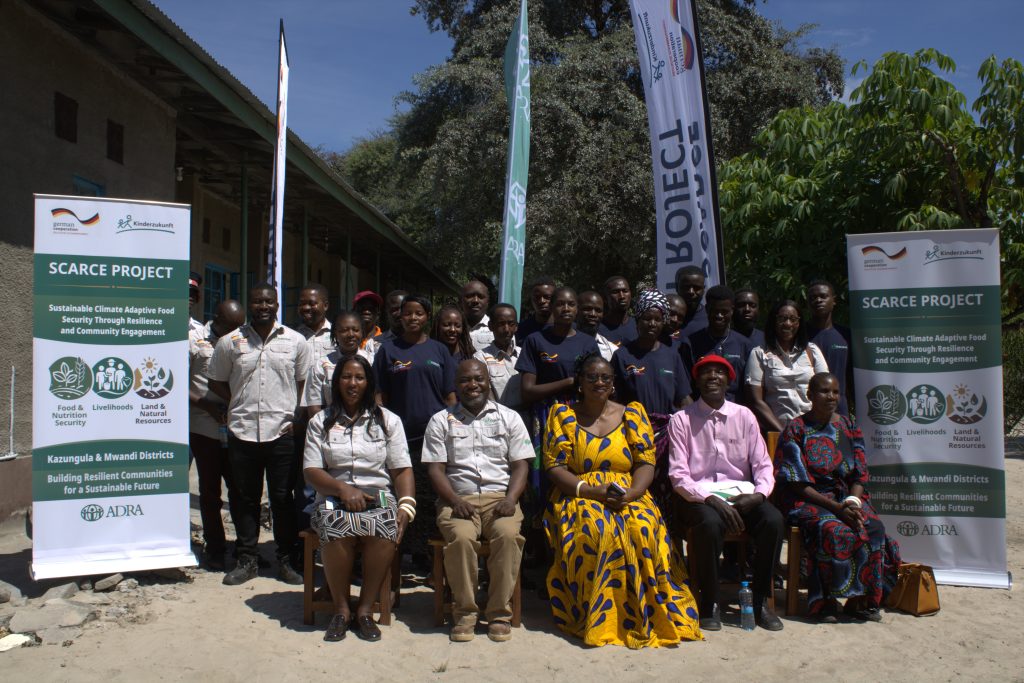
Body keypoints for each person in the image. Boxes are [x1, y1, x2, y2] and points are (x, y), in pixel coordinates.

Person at [543, 352, 701, 648]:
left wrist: (632, 493)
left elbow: (645, 463)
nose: (599, 382)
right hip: (578, 491)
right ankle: (602, 617)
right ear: (580, 382)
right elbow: (554, 467)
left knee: (642, 529)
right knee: (596, 532)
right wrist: (591, 491)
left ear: (613, 382)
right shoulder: (563, 415)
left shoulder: (632, 414)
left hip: (628, 490)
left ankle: (646, 613)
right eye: (592, 377)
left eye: (605, 377)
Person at [667, 354, 784, 631]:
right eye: (706, 372)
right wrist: (710, 500)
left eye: (719, 372)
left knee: (773, 521)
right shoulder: (681, 420)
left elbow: (762, 465)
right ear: (697, 381)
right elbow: (679, 475)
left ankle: (760, 602)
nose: (713, 377)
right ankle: (710, 603)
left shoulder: (745, 416)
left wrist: (759, 495)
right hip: (697, 496)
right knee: (709, 523)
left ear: (729, 381)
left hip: (741, 494)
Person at [303, 356, 415, 642]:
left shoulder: (388, 421)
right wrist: (342, 490)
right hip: (333, 496)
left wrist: (406, 506)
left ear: (369, 383)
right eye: (346, 377)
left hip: (378, 496)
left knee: (386, 526)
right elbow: (312, 471)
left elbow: (401, 469)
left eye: (359, 378)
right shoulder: (320, 422)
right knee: (335, 525)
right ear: (336, 382)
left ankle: (364, 609)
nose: (352, 384)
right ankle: (341, 610)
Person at [207, 283, 312, 586]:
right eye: (257, 301)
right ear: (249, 305)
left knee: (282, 499)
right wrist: (237, 400)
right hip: (242, 431)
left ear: (277, 305)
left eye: (268, 301)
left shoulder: (295, 341)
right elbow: (215, 380)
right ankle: (247, 559)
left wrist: (294, 415)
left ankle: (286, 559)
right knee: (244, 498)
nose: (263, 306)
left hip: (282, 432)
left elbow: (302, 383)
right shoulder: (230, 342)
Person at [776, 372, 902, 623]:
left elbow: (860, 473)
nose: (831, 396)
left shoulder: (849, 426)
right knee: (832, 529)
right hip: (810, 499)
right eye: (824, 391)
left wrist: (852, 503)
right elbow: (796, 482)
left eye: (835, 392)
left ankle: (861, 601)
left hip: (847, 497)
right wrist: (836, 508)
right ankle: (825, 603)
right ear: (810, 395)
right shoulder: (796, 429)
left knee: (873, 527)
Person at [423, 359, 532, 642]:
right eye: (465, 380)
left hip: (500, 499)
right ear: (456, 385)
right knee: (460, 539)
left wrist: (511, 498)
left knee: (508, 536)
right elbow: (435, 470)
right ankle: (465, 614)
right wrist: (454, 500)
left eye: (478, 379)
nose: (473, 385)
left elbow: (521, 465)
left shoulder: (510, 418)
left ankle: (498, 614)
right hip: (457, 499)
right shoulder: (440, 420)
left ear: (488, 381)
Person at [373, 294, 457, 565]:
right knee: (401, 496)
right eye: (407, 313)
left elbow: (450, 396)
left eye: (418, 313)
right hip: (399, 438)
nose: (412, 318)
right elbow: (378, 395)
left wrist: (452, 430)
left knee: (430, 495)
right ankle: (400, 552)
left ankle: (427, 558)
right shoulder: (388, 350)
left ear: (427, 317)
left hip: (434, 438)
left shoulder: (439, 350)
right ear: (400, 316)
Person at [611, 290, 692, 524]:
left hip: (668, 437)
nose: (652, 324)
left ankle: (668, 540)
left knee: (668, 494)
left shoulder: (672, 355)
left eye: (657, 319)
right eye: (647, 318)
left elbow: (684, 399)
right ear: (637, 320)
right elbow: (614, 401)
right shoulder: (622, 355)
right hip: (632, 434)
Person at [517, 287, 600, 495]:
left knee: (578, 467)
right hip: (545, 416)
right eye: (560, 304)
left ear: (577, 309)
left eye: (571, 304)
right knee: (546, 474)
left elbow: (596, 384)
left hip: (580, 415)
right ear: (552, 307)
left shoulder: (588, 343)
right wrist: (568, 382)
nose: (566, 308)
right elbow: (527, 391)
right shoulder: (535, 340)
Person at [188, 299, 245, 570]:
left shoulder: (242, 339)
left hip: (237, 428)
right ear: (216, 319)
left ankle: (245, 550)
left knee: (240, 490)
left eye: (239, 326)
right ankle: (215, 548)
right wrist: (206, 406)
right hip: (203, 427)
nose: (235, 331)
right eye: (230, 326)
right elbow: (175, 381)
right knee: (210, 491)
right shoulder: (194, 340)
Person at [745, 299, 830, 432]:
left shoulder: (812, 351)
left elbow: (826, 389)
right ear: (774, 321)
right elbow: (756, 401)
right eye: (782, 318)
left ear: (799, 323)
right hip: (777, 431)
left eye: (793, 319)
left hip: (812, 430)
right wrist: (784, 434)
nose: (788, 323)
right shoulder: (759, 353)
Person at [681, 285, 754, 404]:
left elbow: (749, 387)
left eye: (724, 312)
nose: (719, 316)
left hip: (735, 410)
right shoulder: (691, 343)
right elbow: (686, 386)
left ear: (732, 310)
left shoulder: (744, 344)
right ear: (707, 309)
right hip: (702, 410)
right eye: (715, 311)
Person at [303, 311, 372, 417]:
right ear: (335, 333)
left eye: (355, 330)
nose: (351, 334)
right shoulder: (321, 365)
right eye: (344, 330)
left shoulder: (372, 361)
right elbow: (314, 407)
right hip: (331, 424)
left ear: (362, 332)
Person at [806, 279, 853, 416]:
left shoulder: (846, 335)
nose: (818, 300)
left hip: (839, 411)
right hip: (807, 410)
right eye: (813, 298)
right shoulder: (799, 335)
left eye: (823, 296)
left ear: (834, 301)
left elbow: (851, 378)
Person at [472, 303, 522, 409]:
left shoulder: (523, 354)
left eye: (511, 324)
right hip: (500, 415)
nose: (506, 329)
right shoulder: (480, 358)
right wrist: (505, 415)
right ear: (490, 326)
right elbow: (487, 394)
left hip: (527, 415)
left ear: (516, 327)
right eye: (501, 324)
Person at [296, 284, 334, 366]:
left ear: (325, 306)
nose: (306, 308)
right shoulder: (294, 336)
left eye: (312, 303)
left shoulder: (337, 334)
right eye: (302, 303)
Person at [576, 290, 617, 361]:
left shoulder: (612, 350)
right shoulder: (563, 343)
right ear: (576, 310)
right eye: (587, 309)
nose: (593, 314)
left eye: (598, 310)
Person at [597, 275, 637, 346]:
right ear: (605, 298)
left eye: (625, 291)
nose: (622, 296)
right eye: (615, 292)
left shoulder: (639, 326)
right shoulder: (597, 330)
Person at [515, 276, 555, 345]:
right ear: (531, 300)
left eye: (547, 297)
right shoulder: (521, 329)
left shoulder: (567, 328)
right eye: (537, 297)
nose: (542, 301)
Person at [461, 279, 494, 351]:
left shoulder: (496, 329)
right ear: (461, 300)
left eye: (481, 297)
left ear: (487, 302)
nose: (475, 300)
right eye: (469, 296)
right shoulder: (452, 327)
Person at [675, 266, 707, 338]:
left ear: (703, 289)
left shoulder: (711, 319)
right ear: (677, 287)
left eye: (697, 288)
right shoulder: (664, 318)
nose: (691, 292)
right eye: (686, 287)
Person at [353, 290, 383, 358]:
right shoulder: (348, 340)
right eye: (362, 308)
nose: (366, 311)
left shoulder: (385, 342)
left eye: (371, 308)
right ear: (354, 312)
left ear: (378, 314)